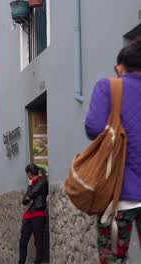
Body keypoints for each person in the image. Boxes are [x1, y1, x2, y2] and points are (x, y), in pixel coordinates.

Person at [85, 37, 141, 263]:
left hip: (119, 197)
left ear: (119, 67)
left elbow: (94, 127)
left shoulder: (108, 87)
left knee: (113, 259)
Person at [18, 164, 48, 264]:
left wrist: (30, 189)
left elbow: (30, 195)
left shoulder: (42, 181)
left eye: (27, 173)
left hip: (38, 214)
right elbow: (24, 201)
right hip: (29, 215)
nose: (27, 176)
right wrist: (30, 186)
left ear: (29, 173)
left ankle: (38, 262)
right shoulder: (31, 184)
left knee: (38, 240)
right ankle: (21, 261)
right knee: (23, 241)